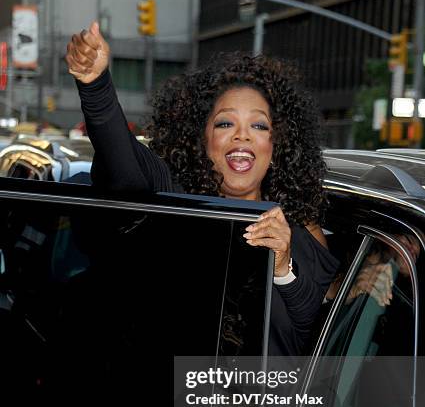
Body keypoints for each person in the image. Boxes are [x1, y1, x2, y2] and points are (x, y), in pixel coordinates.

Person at [65, 21, 339, 358]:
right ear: (201, 138)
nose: (242, 136)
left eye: (259, 125)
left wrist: (283, 266)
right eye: (225, 123)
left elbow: (315, 338)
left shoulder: (301, 236)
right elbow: (125, 166)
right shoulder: (177, 203)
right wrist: (96, 88)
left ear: (277, 144)